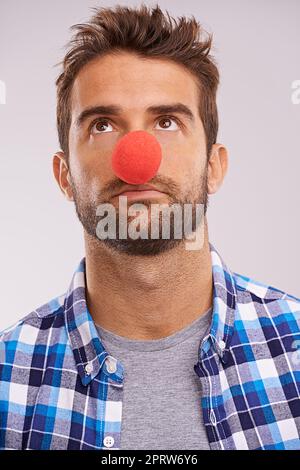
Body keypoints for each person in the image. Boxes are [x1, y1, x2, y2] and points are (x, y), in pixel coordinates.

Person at [0, 4, 299, 451]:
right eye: (102, 125)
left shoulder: (294, 350)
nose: (137, 157)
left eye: (166, 122)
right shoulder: (7, 382)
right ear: (64, 176)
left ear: (214, 166)